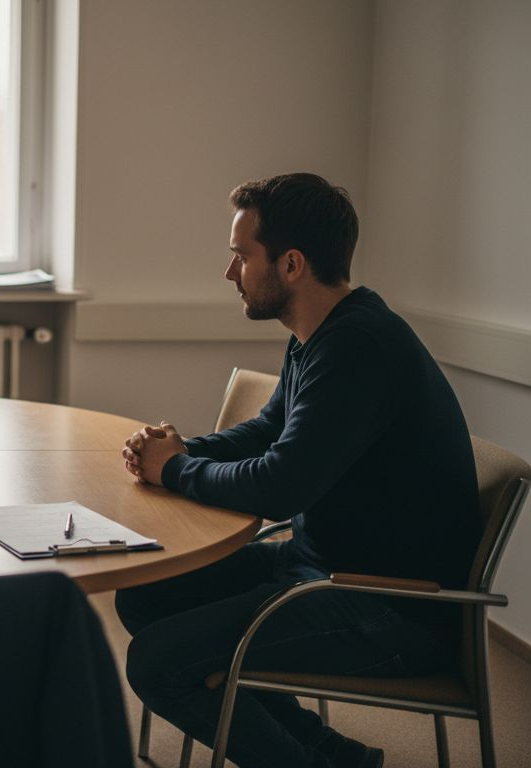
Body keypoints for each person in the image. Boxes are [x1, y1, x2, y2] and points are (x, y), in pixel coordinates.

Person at [115, 173, 481, 768]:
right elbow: (268, 433)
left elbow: (281, 485)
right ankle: (331, 755)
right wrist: (182, 451)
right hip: (323, 565)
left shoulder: (359, 346)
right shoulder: (322, 333)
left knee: (158, 663)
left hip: (391, 606)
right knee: (145, 595)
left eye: (240, 256)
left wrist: (177, 469)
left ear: (290, 264)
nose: (229, 272)